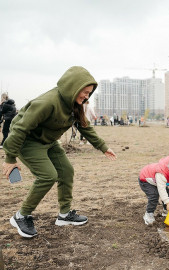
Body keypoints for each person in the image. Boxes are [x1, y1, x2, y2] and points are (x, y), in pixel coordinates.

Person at [2, 66, 117, 238]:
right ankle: (21, 215)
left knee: (66, 171)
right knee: (48, 175)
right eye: (84, 92)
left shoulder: (73, 105)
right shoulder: (48, 102)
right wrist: (10, 158)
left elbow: (84, 126)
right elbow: (19, 128)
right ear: (73, 86)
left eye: (89, 93)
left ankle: (64, 215)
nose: (86, 96)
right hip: (28, 141)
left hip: (48, 141)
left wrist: (103, 147)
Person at [138, 153, 169, 226]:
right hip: (146, 180)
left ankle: (166, 211)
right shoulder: (161, 174)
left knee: (167, 192)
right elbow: (161, 190)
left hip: (156, 181)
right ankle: (148, 214)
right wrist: (168, 203)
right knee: (154, 195)